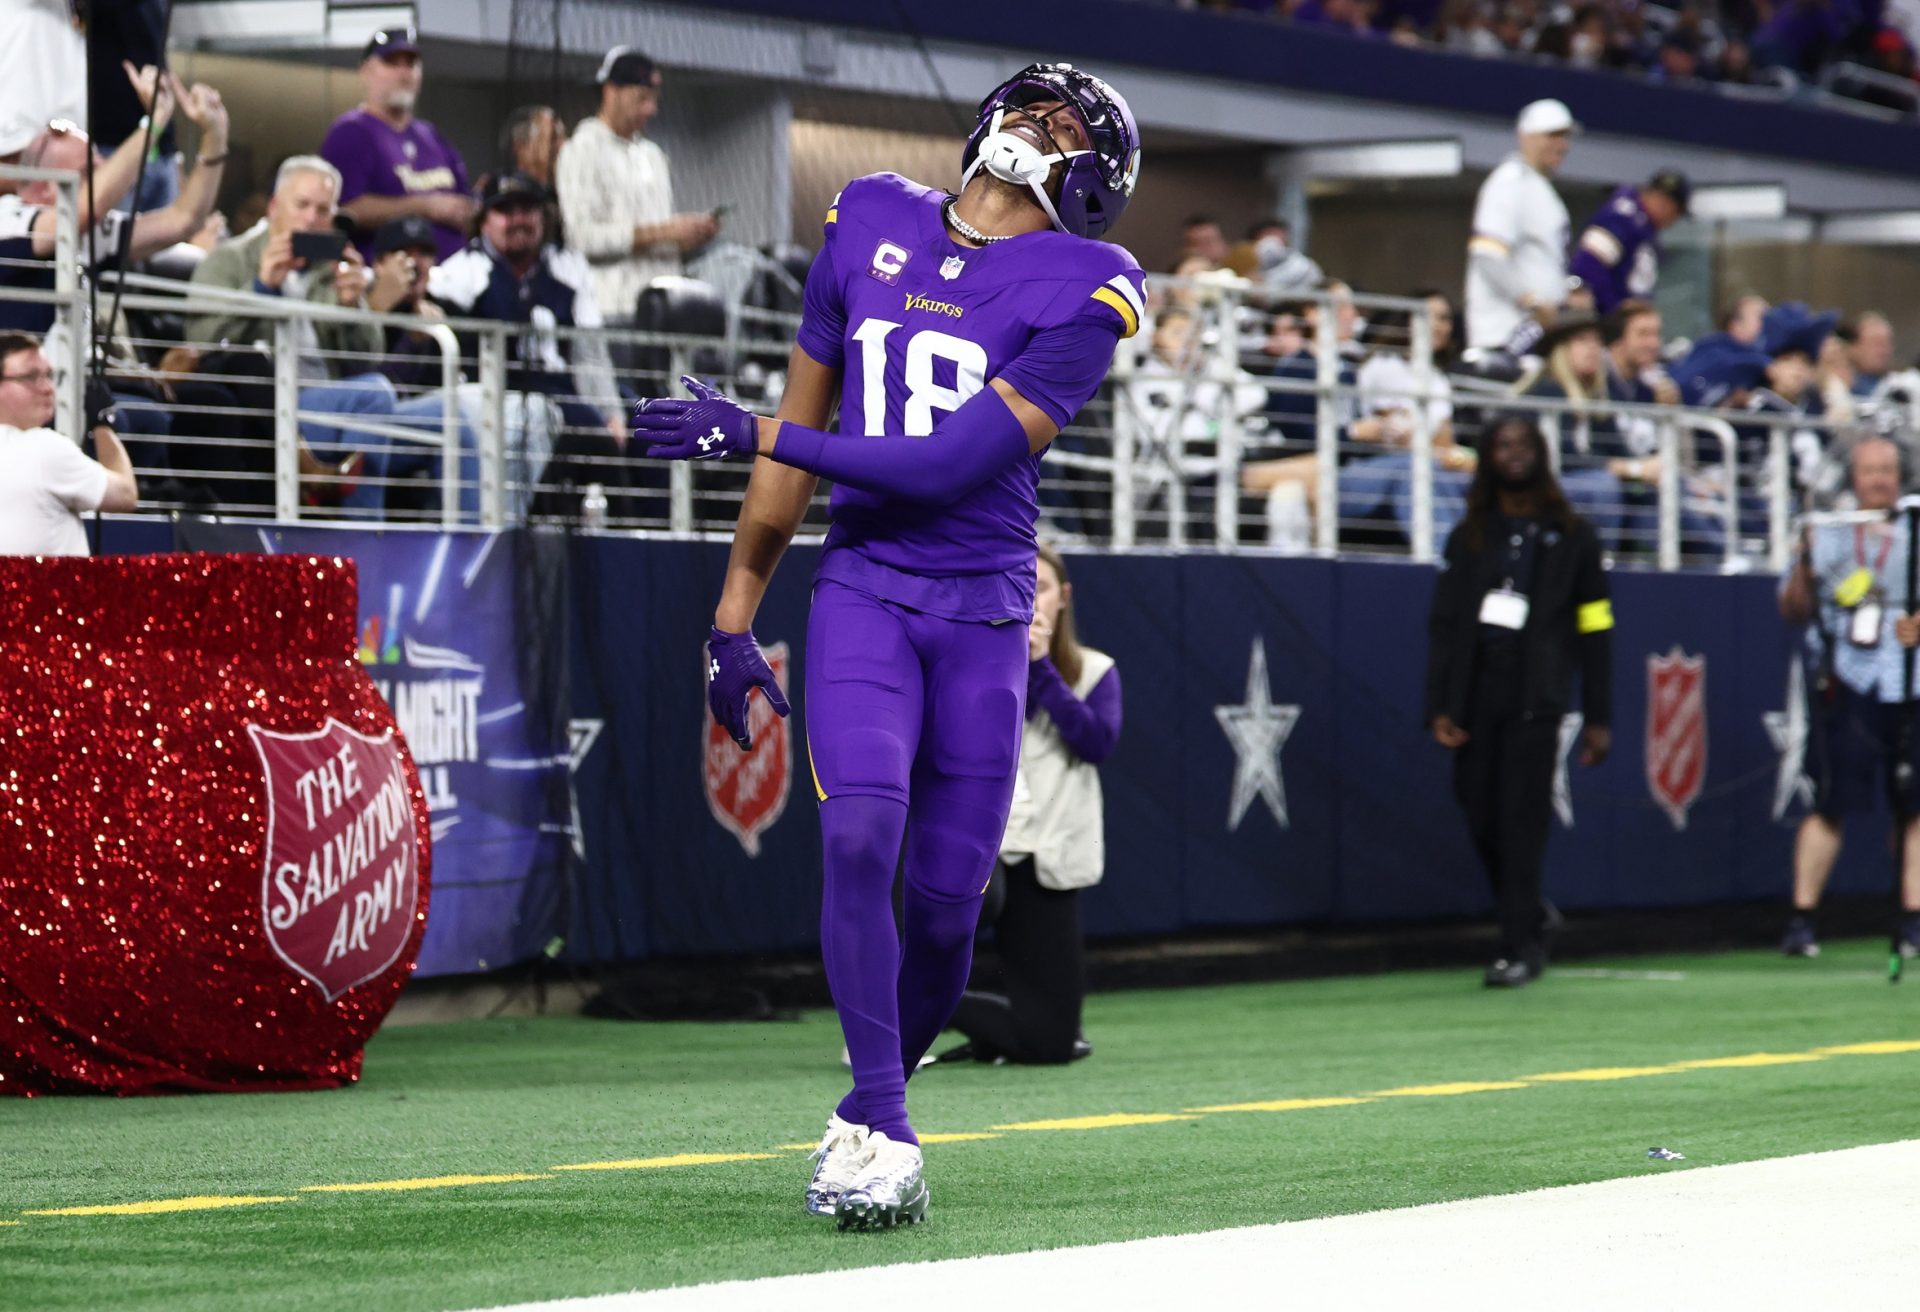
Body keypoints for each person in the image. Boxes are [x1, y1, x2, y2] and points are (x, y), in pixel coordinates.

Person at [630, 62, 1144, 1229]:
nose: (1027, 124)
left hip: (983, 614)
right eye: (1024, 104)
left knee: (952, 909)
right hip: (865, 587)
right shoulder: (869, 214)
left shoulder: (1091, 281)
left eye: (1062, 124)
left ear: (1094, 180)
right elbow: (801, 437)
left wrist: (747, 426)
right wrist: (730, 615)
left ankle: (869, 1110)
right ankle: (887, 1123)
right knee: (859, 833)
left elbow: (941, 464)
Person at [1426, 412, 1614, 988]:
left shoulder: (1573, 534)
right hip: (1478, 695)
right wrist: (1439, 705)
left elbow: (1596, 626)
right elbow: (1445, 624)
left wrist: (1600, 715)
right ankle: (1529, 911)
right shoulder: (1469, 536)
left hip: (1538, 698)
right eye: (1502, 445)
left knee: (1521, 820)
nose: (1513, 454)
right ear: (1487, 457)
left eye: (1523, 443)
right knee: (1479, 810)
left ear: (1541, 453)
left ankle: (1518, 945)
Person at [188, 155, 475, 517]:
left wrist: (354, 308)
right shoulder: (229, 260)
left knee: (452, 416)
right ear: (275, 206)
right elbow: (200, 338)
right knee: (373, 394)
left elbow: (367, 360)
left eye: (323, 210)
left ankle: (463, 553)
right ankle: (363, 538)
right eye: (302, 205)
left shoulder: (332, 269)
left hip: (342, 407)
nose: (311, 219)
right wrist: (261, 289)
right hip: (272, 409)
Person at [936, 544, 1120, 1065]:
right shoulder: (968, 661)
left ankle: (906, 1007)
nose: (1031, 602)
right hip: (983, 844)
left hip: (1047, 857)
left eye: (1040, 589)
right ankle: (885, 1013)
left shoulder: (1095, 670)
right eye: (1020, 587)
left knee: (1053, 1043)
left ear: (1062, 598)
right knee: (955, 907)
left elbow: (1095, 744)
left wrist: (1040, 669)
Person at [1778, 436, 1920, 958]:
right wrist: (1803, 564)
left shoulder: (1915, 529)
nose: (1880, 479)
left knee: (1913, 806)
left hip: (1910, 678)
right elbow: (1792, 609)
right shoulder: (1831, 532)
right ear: (1853, 476)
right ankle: (1802, 918)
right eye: (1869, 470)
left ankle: (1911, 919)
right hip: (1848, 678)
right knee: (1830, 799)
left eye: (1888, 469)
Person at [429, 171, 626, 517]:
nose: (518, 220)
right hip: (497, 402)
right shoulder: (460, 273)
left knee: (616, 447)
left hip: (564, 399)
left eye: (527, 210)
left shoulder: (569, 268)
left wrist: (611, 413)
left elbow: (590, 352)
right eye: (506, 211)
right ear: (484, 221)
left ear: (543, 217)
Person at [554, 47, 718, 347]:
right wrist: (665, 232)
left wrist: (687, 236)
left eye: (654, 100)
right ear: (611, 92)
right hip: (612, 312)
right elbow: (581, 238)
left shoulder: (652, 155)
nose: (650, 110)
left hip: (666, 311)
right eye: (641, 98)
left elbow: (657, 235)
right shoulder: (581, 149)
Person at [320, 28, 475, 263]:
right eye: (391, 63)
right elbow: (345, 211)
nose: (403, 73)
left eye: (411, 64)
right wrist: (425, 206)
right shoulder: (350, 132)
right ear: (365, 72)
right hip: (384, 283)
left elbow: (464, 201)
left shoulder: (430, 135)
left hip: (453, 280)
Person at [0, 332, 136, 556]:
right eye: (30, 377)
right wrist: (103, 424)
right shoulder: (42, 448)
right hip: (47, 591)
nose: (47, 388)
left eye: (49, 375)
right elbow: (125, 494)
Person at [1464, 99, 1575, 355]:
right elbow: (1486, 254)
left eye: (1565, 137)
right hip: (1505, 337)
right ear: (1525, 136)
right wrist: (1533, 301)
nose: (1562, 145)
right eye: (1553, 135)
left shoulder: (1540, 186)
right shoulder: (1509, 181)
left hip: (1537, 335)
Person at [1567, 168, 1689, 316]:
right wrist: (1614, 309)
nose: (1672, 221)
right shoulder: (1622, 216)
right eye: (1675, 213)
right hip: (1612, 325)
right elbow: (1587, 263)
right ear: (1665, 203)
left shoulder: (1642, 222)